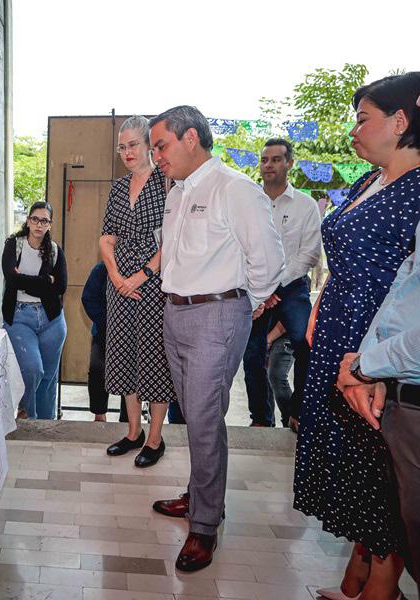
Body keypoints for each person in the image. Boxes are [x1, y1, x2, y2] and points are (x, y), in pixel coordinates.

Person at [294, 72, 420, 600]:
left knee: (380, 464)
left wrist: (376, 357)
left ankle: (382, 584)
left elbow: (416, 281)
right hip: (340, 328)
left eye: (363, 119)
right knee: (351, 458)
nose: (354, 131)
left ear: (400, 122)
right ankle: (361, 569)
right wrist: (321, 304)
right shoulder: (366, 181)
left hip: (378, 339)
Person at [148, 105, 284, 572]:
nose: (156, 157)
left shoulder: (235, 189)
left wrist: (249, 302)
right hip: (175, 311)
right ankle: (200, 495)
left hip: (216, 314)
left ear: (190, 138)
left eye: (161, 146)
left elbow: (268, 258)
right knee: (194, 415)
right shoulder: (177, 192)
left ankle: (205, 525)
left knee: (205, 418)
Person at [99, 115, 177, 467]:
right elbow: (106, 238)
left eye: (133, 145)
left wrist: (141, 275)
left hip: (155, 284)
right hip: (119, 285)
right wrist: (116, 276)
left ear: (149, 145)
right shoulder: (118, 187)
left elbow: (172, 238)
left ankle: (155, 438)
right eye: (122, 147)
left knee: (154, 358)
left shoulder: (167, 182)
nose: (127, 152)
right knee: (124, 355)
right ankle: (134, 432)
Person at [242, 139, 322, 428]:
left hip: (292, 288)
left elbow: (309, 255)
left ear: (289, 163)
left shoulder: (305, 205)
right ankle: (261, 419)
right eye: (264, 160)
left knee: (304, 341)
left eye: (276, 160)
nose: (268, 165)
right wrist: (261, 289)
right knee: (252, 353)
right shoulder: (249, 202)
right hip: (254, 289)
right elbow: (239, 247)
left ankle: (298, 413)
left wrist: (274, 287)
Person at [1, 201, 68, 420]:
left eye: (44, 221)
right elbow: (11, 279)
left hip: (52, 320)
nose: (39, 225)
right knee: (32, 370)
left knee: (48, 378)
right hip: (19, 317)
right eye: (35, 219)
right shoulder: (14, 245)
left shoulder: (55, 251)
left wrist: (24, 280)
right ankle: (28, 416)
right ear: (28, 221)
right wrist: (45, 281)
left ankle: (47, 425)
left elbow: (61, 287)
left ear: (50, 224)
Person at [81, 261, 125, 422]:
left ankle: (128, 420)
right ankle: (99, 414)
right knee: (97, 369)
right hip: (104, 331)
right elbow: (88, 299)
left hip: (134, 332)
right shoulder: (101, 269)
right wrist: (109, 322)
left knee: (132, 375)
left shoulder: (141, 268)